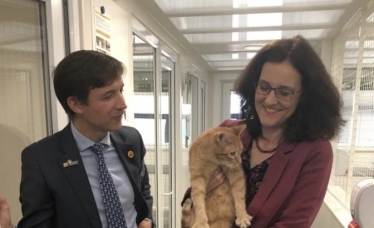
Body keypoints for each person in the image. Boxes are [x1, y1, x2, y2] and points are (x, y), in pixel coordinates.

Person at [182, 35, 345, 228]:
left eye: (284, 92)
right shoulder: (232, 131)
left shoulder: (315, 151)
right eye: (264, 87)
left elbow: (293, 224)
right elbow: (193, 198)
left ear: (305, 98)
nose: (269, 100)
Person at [0, 50, 153, 228]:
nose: (122, 104)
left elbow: (143, 189)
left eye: (121, 90)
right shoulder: (41, 159)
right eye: (108, 96)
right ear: (76, 104)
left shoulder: (131, 139)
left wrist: (146, 220)